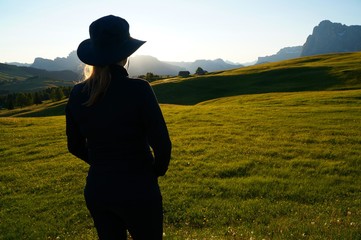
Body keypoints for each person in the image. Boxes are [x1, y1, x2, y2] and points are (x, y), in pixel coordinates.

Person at [65, 15, 172, 240]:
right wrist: (153, 172)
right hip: (139, 189)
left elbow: (74, 146)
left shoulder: (77, 93)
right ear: (125, 54)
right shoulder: (139, 89)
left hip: (98, 189)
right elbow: (162, 145)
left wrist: (102, 163)